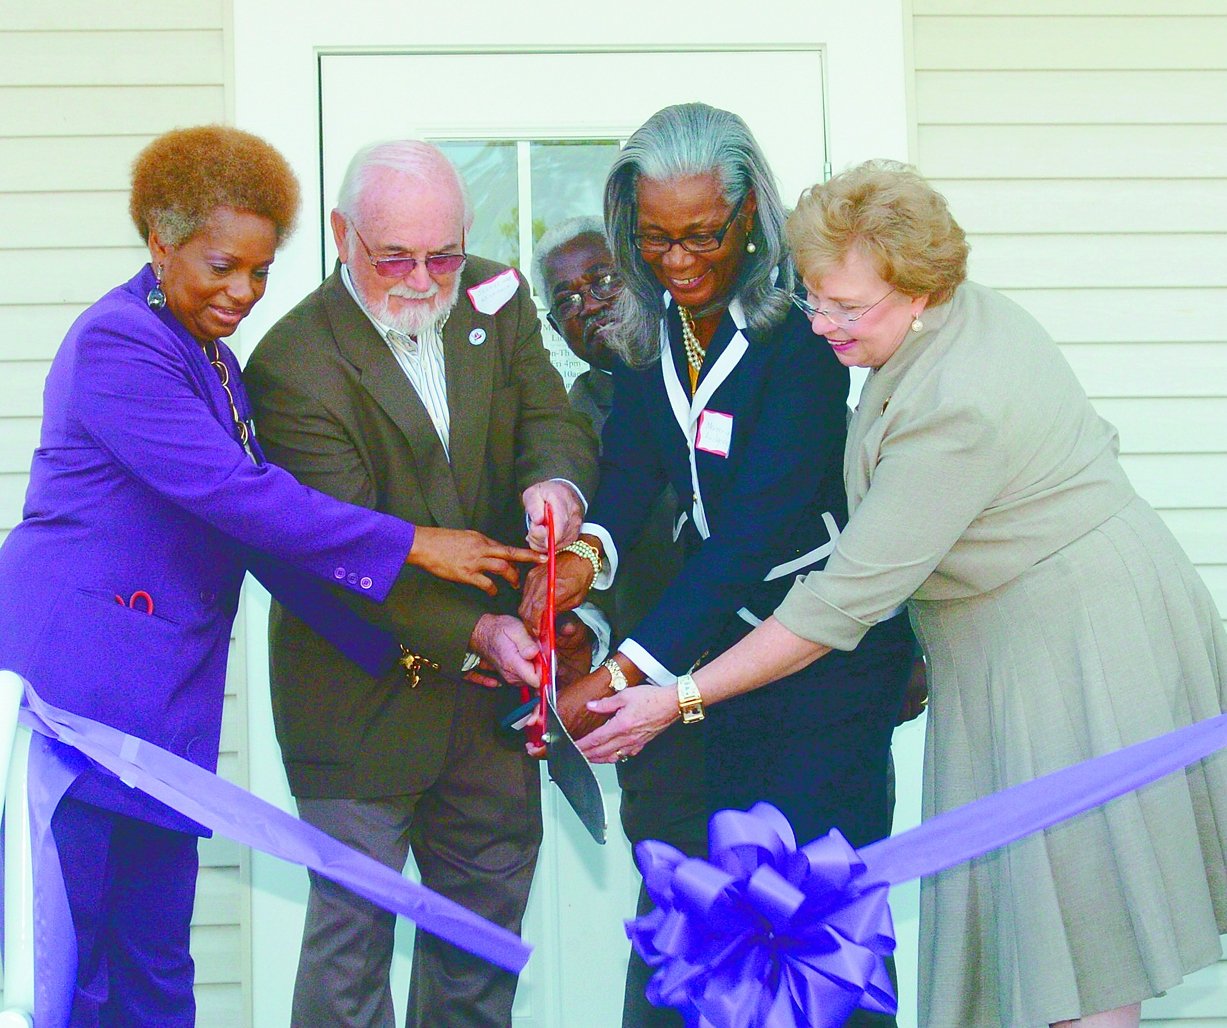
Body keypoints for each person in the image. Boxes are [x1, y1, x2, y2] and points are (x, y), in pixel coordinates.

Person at [577, 159, 1227, 1028]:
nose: (824, 324)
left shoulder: (956, 404)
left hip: (1073, 639)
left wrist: (678, 697)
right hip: (1016, 631)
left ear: (919, 288)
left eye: (851, 307)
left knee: (1081, 929)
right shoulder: (938, 325)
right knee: (1048, 930)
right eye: (815, 296)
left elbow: (835, 604)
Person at [0, 125, 537, 1027]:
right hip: (75, 688)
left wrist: (446, 638)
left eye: (257, 271)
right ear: (158, 243)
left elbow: (269, 546)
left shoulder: (208, 358)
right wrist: (413, 541)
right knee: (73, 949)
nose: (241, 294)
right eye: (220, 267)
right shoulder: (119, 344)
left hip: (164, 698)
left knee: (156, 944)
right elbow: (238, 497)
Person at [520, 105, 917, 1028]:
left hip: (823, 671)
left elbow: (746, 539)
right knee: (730, 927)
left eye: (703, 234)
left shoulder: (799, 346)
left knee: (821, 926)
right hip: (727, 679)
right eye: (655, 239)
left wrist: (625, 673)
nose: (680, 260)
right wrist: (587, 553)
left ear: (750, 217)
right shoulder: (658, 331)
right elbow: (631, 467)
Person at [244, 140, 598, 1028]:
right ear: (340, 236)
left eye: (442, 253)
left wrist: (554, 485)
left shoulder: (497, 294)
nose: (421, 276)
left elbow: (550, 417)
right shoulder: (293, 365)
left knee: (480, 946)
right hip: (359, 694)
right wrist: (476, 632)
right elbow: (339, 550)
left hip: (488, 715)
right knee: (349, 957)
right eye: (392, 255)